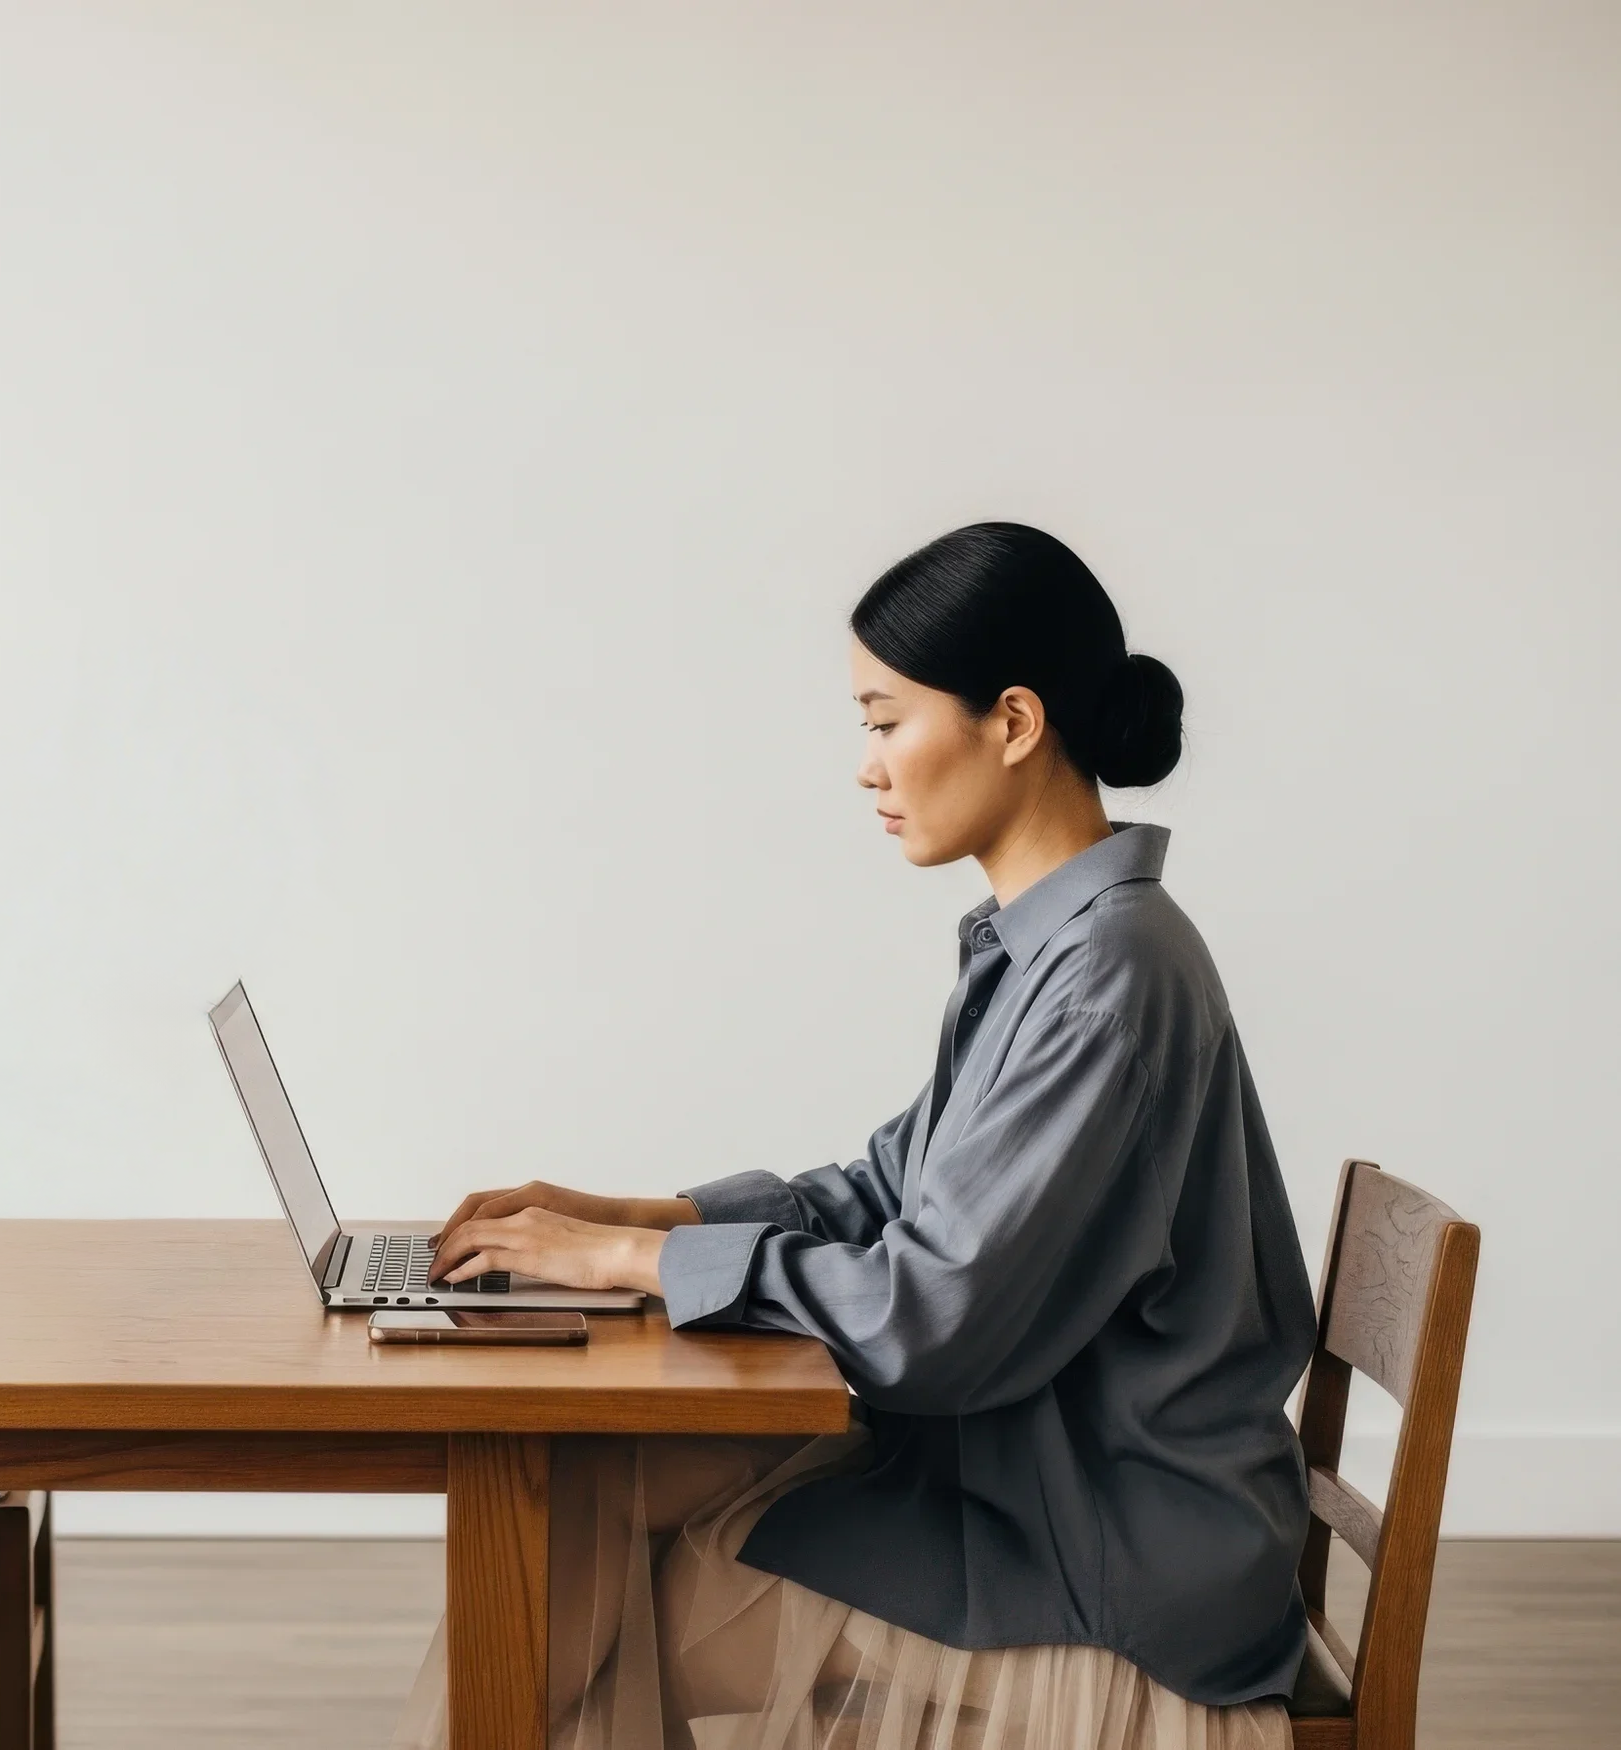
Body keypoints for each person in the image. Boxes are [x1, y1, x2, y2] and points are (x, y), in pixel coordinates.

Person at [392, 523, 1316, 1750]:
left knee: (557, 1587)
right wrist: (627, 1216)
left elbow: (926, 1319)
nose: (867, 766)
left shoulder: (1106, 976)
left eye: (885, 720)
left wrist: (619, 1267)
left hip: (1109, 1562)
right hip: (1040, 1494)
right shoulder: (1052, 947)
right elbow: (887, 1188)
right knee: (577, 1515)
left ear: (1014, 722)